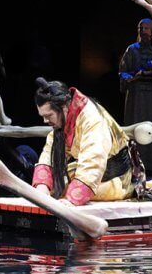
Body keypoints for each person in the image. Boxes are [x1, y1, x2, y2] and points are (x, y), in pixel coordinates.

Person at [31, 77, 142, 205]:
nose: (45, 121)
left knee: (62, 192)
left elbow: (93, 162)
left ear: (63, 107)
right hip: (94, 174)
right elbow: (48, 154)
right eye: (43, 116)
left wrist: (71, 200)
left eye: (48, 116)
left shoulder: (92, 119)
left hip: (117, 180)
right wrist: (42, 186)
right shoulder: (64, 119)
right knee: (49, 190)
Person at [119, 18, 152, 175]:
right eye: (141, 28)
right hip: (136, 95)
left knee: (151, 127)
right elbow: (123, 71)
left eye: (147, 28)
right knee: (134, 127)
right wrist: (133, 77)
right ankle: (133, 163)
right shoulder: (132, 50)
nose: (143, 31)